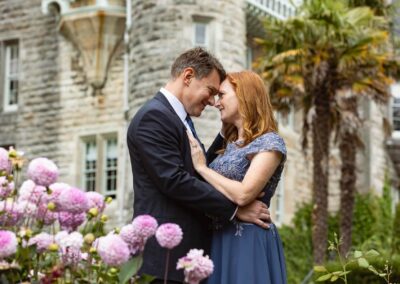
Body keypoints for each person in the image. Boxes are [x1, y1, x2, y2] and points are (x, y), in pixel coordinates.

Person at [127, 48, 271, 283]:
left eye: (218, 95)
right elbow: (174, 180)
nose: (213, 101)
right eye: (211, 91)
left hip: (184, 260)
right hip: (164, 263)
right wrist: (236, 210)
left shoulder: (175, 118)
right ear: (188, 76)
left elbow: (199, 166)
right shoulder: (154, 117)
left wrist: (226, 136)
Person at [188, 70, 288, 284]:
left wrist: (203, 168)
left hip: (249, 241)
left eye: (222, 95)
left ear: (243, 96)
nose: (216, 103)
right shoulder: (229, 146)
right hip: (218, 239)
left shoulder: (270, 142)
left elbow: (243, 194)